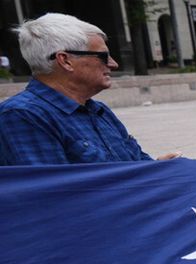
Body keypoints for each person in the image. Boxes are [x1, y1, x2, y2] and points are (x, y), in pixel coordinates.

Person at [0, 13, 174, 164]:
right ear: (65, 60)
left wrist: (157, 168)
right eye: (103, 56)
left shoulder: (99, 110)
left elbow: (134, 164)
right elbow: (54, 194)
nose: (113, 64)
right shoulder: (22, 116)